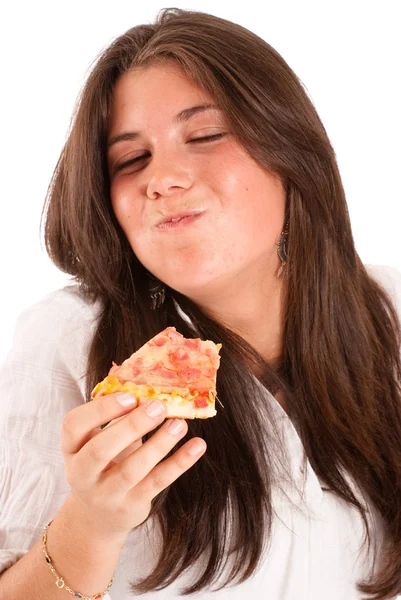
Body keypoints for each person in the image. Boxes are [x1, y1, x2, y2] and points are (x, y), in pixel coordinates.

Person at [1, 7, 401, 600]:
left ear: (290, 151)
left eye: (206, 135)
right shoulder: (68, 340)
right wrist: (93, 522)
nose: (161, 179)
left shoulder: (388, 312)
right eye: (130, 160)